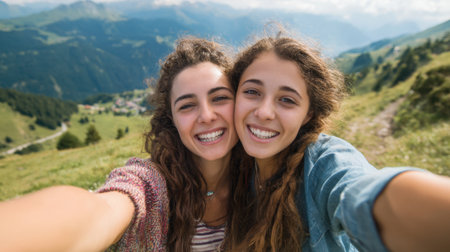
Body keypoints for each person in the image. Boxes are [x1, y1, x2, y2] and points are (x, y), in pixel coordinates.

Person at [0, 37, 241, 251]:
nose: (207, 116)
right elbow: (100, 212)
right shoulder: (152, 185)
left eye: (219, 98)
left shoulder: (259, 180)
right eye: (187, 105)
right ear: (172, 120)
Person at [226, 35, 450, 251]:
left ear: (308, 114)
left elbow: (362, 192)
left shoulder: (324, 163)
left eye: (287, 100)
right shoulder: (231, 163)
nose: (264, 112)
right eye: (252, 92)